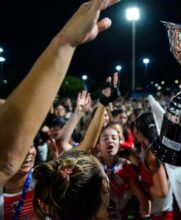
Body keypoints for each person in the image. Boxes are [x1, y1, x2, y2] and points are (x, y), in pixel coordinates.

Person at [0, 0, 120, 186]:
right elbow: (6, 159)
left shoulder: (40, 181)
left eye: (30, 146)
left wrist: (67, 42)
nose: (28, 152)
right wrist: (66, 42)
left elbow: (82, 150)